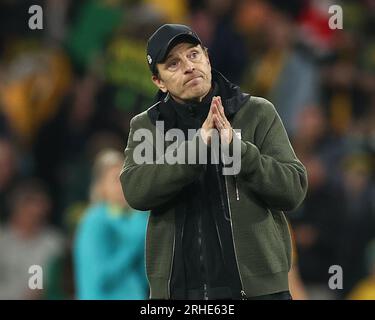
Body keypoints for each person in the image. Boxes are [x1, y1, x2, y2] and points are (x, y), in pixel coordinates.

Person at [120, 24, 308, 300]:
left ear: (207, 58)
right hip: (178, 293)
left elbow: (293, 191)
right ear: (158, 81)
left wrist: (238, 150)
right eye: (173, 63)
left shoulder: (256, 112)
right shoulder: (147, 127)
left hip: (259, 292)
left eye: (193, 55)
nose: (188, 67)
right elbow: (136, 192)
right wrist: (198, 146)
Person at [74, 149, 149, 300]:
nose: (124, 185)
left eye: (127, 178)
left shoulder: (134, 219)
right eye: (116, 179)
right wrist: (134, 244)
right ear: (101, 186)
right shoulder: (93, 221)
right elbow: (100, 276)